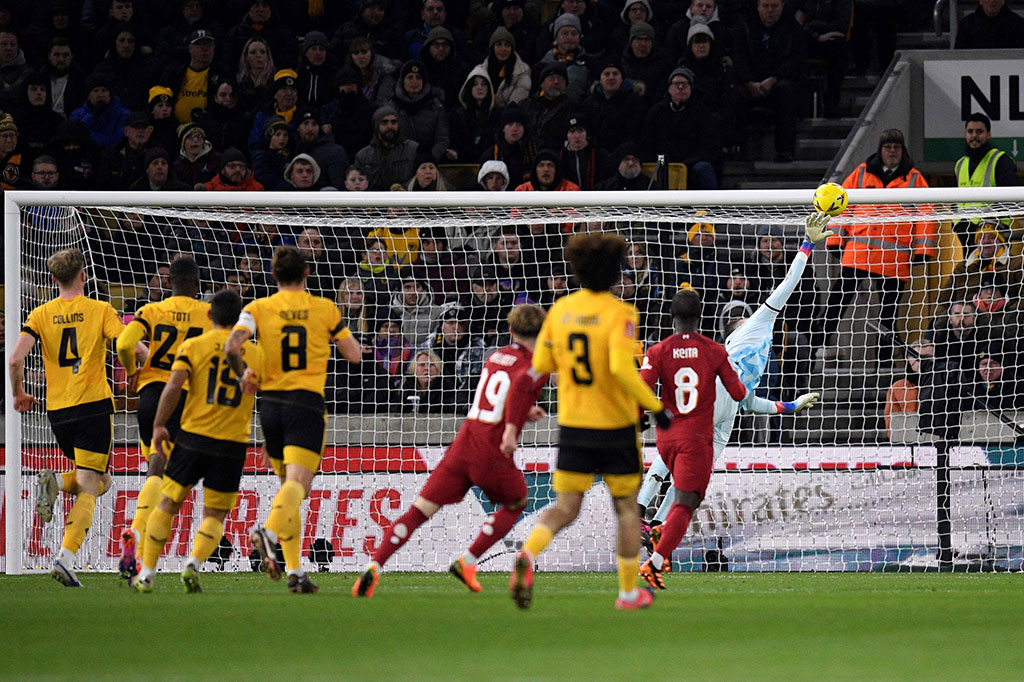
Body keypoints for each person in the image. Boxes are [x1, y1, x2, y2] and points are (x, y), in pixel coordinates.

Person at [636, 214, 830, 546]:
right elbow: (787, 285)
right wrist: (807, 245)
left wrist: (791, 405)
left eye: (743, 313)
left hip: (730, 413)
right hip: (718, 397)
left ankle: (656, 525)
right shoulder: (756, 325)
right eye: (735, 317)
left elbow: (750, 401)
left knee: (693, 478)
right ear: (731, 327)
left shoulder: (754, 342)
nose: (742, 317)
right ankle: (639, 512)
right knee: (677, 457)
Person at [510, 232, 672, 611]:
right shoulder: (622, 313)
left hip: (574, 425)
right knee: (628, 509)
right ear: (615, 273)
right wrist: (656, 406)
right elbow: (621, 367)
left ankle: (528, 555)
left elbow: (541, 366)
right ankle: (629, 593)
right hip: (615, 427)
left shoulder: (561, 311)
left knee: (565, 507)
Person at [353, 304, 549, 597]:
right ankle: (467, 562)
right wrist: (511, 430)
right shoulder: (535, 367)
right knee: (517, 501)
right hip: (492, 449)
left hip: (463, 443)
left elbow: (498, 393)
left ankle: (375, 566)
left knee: (420, 510)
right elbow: (519, 386)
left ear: (511, 330)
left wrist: (523, 412)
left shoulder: (495, 355)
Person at [227, 246, 361, 593]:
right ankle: (267, 534)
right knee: (298, 486)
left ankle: (295, 570)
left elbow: (231, 346)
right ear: (307, 274)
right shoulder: (324, 308)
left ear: (273, 276)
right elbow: (354, 355)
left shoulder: (257, 308)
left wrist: (243, 375)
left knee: (290, 488)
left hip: (268, 406)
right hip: (305, 403)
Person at [127, 289, 263, 593]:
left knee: (167, 502)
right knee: (215, 515)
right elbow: (268, 396)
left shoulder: (194, 346)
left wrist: (160, 424)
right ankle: (194, 563)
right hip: (232, 444)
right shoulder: (256, 353)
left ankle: (147, 573)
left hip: (192, 437)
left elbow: (173, 386)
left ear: (209, 315)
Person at [9, 249, 128, 586]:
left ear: (53, 280)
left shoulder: (40, 314)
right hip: (92, 405)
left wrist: (18, 393)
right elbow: (125, 344)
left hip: (57, 411)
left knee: (101, 481)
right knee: (93, 483)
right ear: (84, 275)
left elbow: (15, 360)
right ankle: (65, 558)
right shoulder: (100, 309)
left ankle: (58, 482)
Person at [635, 290, 748, 588]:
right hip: (695, 439)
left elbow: (641, 391)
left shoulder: (657, 351)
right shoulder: (714, 350)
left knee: (677, 492)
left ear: (672, 316)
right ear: (700, 317)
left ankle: (644, 515)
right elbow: (737, 393)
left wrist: (636, 419)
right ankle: (655, 561)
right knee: (686, 504)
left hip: (666, 438)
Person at [115, 256, 211, 579]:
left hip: (151, 395)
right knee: (167, 475)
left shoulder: (151, 311)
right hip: (184, 397)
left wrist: (132, 372)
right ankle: (138, 538)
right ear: (197, 284)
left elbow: (125, 342)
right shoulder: (207, 314)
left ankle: (136, 537)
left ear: (169, 283)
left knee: (155, 466)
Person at [822, 128, 935, 364]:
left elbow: (926, 215)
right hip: (859, 254)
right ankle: (817, 346)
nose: (892, 152)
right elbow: (841, 206)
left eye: (896, 147)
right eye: (888, 147)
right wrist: (835, 240)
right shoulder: (861, 174)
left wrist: (923, 250)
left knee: (888, 314)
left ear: (902, 150)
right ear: (880, 150)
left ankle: (884, 362)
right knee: (837, 303)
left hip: (893, 259)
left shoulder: (915, 179)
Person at [732, 0, 806, 162]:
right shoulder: (744, 27)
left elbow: (797, 60)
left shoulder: (793, 29)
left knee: (787, 92)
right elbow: (738, 58)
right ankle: (737, 148)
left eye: (774, 6)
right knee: (734, 95)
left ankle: (785, 150)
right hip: (750, 83)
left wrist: (774, 78)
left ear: (782, 7)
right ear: (758, 7)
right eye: (766, 6)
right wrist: (749, 82)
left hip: (779, 81)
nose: (770, 10)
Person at [640, 66, 719, 189]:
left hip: (692, 163)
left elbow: (709, 146)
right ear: (669, 88)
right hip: (663, 164)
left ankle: (713, 205)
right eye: (676, 84)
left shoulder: (702, 112)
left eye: (684, 84)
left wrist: (686, 163)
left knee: (704, 168)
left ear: (691, 88)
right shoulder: (656, 112)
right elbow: (647, 143)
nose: (680, 87)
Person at [953, 113, 1019, 249]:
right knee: (969, 269)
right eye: (970, 131)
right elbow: (955, 198)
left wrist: (990, 225)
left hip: (992, 233)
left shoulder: (1000, 160)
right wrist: (956, 224)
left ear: (988, 134)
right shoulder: (960, 164)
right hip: (964, 232)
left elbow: (1010, 199)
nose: (974, 136)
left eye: (979, 131)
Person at [353, 106, 420, 190]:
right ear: (376, 126)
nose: (390, 126)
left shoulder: (413, 150)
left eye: (393, 122)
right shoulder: (363, 156)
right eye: (385, 122)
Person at [954, 0, 1024, 49]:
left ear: (1003, 1)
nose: (992, 1)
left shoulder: (1018, 25)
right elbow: (959, 57)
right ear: (980, 1)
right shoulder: (966, 25)